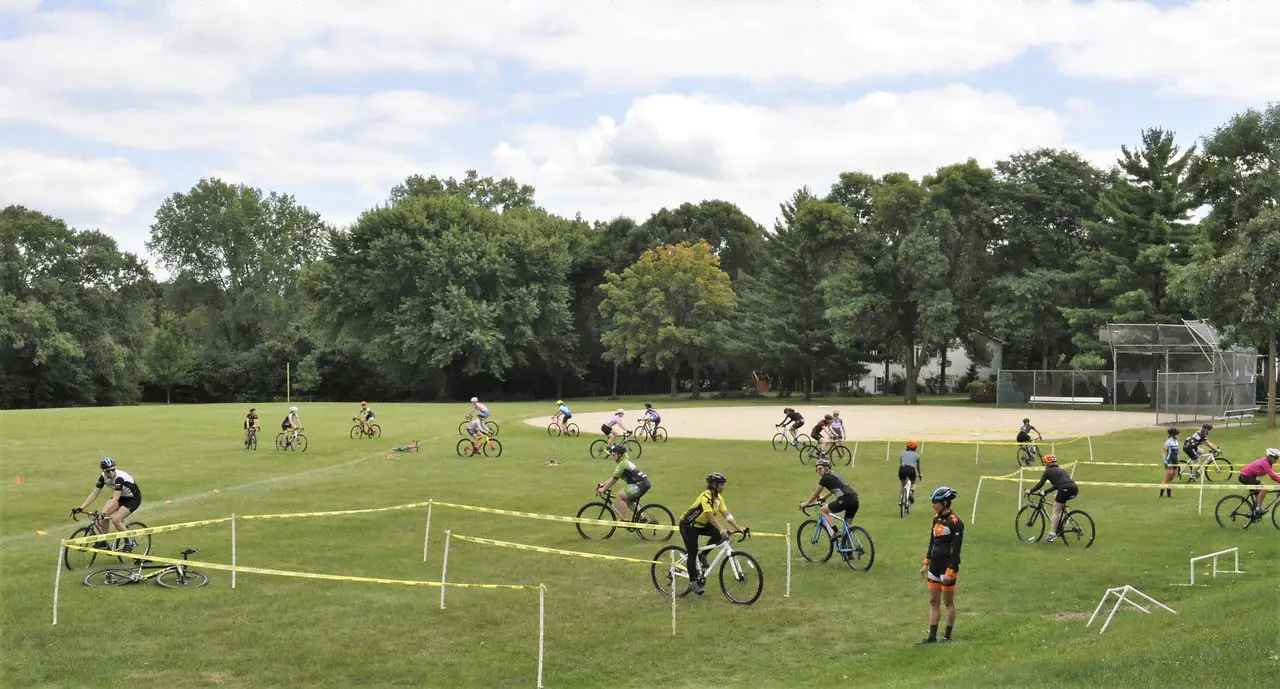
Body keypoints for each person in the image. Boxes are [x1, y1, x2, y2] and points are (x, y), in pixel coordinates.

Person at [679, 472, 747, 596]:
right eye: (721, 484)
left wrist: (738, 527)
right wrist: (721, 529)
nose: (723, 487)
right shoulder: (706, 497)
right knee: (692, 551)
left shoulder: (718, 499)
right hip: (689, 525)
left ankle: (703, 556)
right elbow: (710, 517)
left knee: (718, 536)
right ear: (714, 485)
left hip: (702, 524)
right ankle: (693, 582)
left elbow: (727, 514)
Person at [920, 486, 963, 644]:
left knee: (948, 602)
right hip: (935, 566)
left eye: (936, 502)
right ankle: (932, 636)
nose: (933, 505)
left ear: (945, 502)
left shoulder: (956, 523)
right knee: (933, 601)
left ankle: (947, 636)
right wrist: (926, 562)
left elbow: (956, 549)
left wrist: (951, 569)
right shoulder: (936, 518)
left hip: (948, 567)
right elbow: (932, 542)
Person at [71, 458, 141, 553]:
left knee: (116, 519)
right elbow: (94, 494)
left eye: (113, 469)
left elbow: (115, 498)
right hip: (121, 497)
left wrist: (104, 512)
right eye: (108, 471)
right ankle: (103, 542)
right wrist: (81, 507)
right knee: (101, 518)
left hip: (132, 499)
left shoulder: (119, 478)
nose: (111, 472)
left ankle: (129, 542)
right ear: (104, 471)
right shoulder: (103, 477)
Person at [798, 457, 859, 539]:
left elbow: (815, 494)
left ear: (826, 468)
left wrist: (805, 504)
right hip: (855, 499)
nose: (818, 471)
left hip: (845, 499)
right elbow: (834, 489)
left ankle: (836, 532)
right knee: (847, 528)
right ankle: (849, 549)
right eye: (817, 470)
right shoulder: (835, 475)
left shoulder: (825, 478)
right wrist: (824, 498)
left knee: (823, 510)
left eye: (820, 469)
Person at [1026, 454, 1077, 542]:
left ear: (1047, 463)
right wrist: (1046, 491)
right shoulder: (1061, 470)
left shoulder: (1048, 471)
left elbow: (1040, 484)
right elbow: (1058, 484)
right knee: (1061, 503)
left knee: (1056, 510)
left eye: (1045, 463)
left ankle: (1052, 534)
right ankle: (1067, 520)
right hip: (1074, 488)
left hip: (1064, 488)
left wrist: (1030, 490)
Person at [597, 444, 651, 522]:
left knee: (619, 495)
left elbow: (614, 480)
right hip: (643, 483)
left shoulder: (622, 464)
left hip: (639, 484)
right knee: (627, 500)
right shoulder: (624, 462)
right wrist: (604, 484)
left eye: (614, 455)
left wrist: (603, 489)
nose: (613, 456)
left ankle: (624, 520)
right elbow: (614, 477)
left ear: (620, 455)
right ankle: (642, 519)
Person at [1238, 448, 1280, 517]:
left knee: (1258, 495)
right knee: (1264, 488)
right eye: (1275, 458)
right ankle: (1258, 509)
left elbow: (1273, 474)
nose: (1276, 460)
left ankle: (1253, 513)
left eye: (1277, 458)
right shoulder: (1265, 463)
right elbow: (1272, 476)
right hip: (1246, 477)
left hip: (1249, 476)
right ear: (1270, 457)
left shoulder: (1268, 462)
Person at [1159, 427, 1181, 498]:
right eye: (1177, 434)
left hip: (1175, 461)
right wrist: (1164, 460)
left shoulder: (1176, 442)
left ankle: (1169, 495)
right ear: (1173, 434)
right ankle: (1161, 494)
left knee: (1171, 477)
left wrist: (1178, 462)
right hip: (1169, 460)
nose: (1178, 435)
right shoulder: (1168, 442)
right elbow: (1164, 452)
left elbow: (1177, 453)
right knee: (1167, 477)